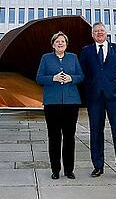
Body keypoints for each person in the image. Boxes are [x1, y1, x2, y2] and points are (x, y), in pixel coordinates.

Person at [80, 22, 116, 180]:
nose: (99, 33)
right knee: (95, 132)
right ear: (92, 34)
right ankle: (98, 166)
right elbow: (83, 73)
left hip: (115, 97)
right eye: (96, 31)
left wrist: (115, 88)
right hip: (95, 99)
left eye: (101, 30)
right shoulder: (86, 51)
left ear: (106, 33)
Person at [35, 31, 84, 180]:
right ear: (53, 44)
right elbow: (39, 78)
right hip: (52, 103)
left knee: (69, 137)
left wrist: (71, 78)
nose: (60, 43)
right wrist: (53, 78)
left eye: (63, 41)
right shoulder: (46, 58)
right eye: (57, 41)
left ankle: (69, 170)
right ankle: (55, 170)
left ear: (66, 44)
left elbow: (81, 76)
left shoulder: (73, 58)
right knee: (54, 137)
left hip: (71, 103)